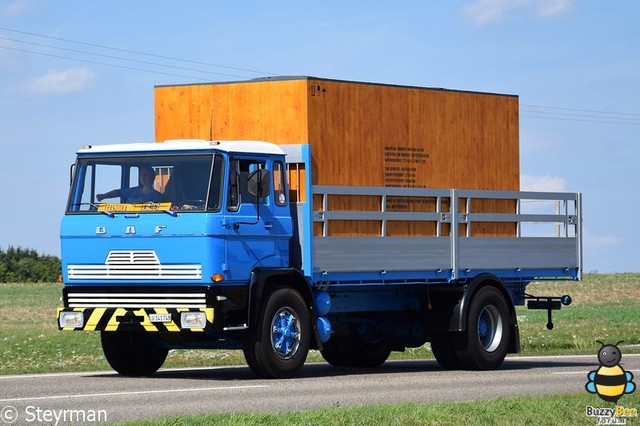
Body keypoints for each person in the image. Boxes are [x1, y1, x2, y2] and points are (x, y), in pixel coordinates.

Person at [96, 167, 163, 203]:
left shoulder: (157, 196)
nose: (143, 177)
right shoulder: (134, 190)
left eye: (145, 174)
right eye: (141, 174)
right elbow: (117, 193)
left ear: (152, 176)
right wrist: (103, 196)